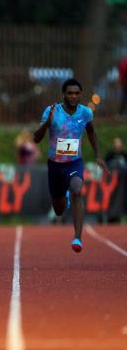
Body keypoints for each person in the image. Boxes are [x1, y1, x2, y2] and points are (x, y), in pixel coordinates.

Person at [33, 78, 109, 252]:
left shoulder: (85, 113)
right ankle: (64, 198)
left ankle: (78, 238)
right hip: (55, 165)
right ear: (64, 95)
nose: (74, 96)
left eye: (76, 93)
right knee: (58, 210)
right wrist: (46, 123)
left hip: (74, 162)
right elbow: (36, 139)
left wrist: (98, 155)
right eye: (70, 93)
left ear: (80, 95)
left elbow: (91, 133)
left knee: (77, 188)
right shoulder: (52, 111)